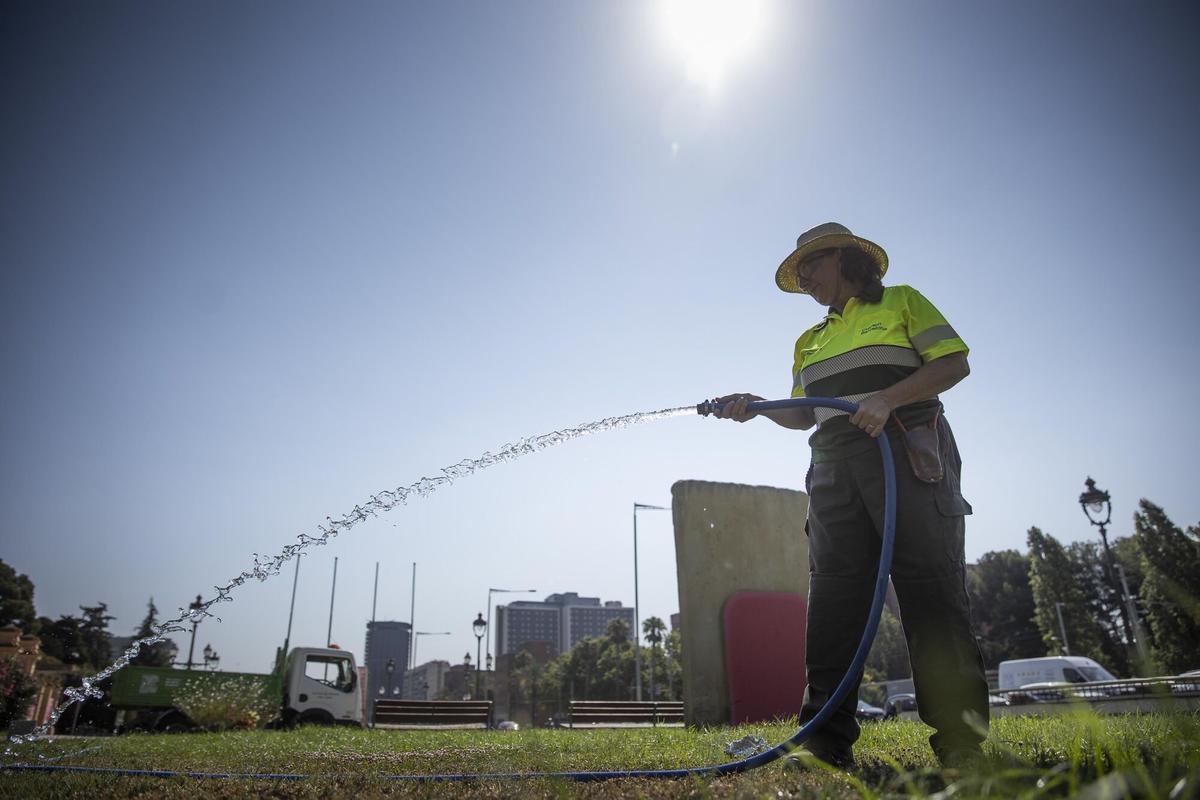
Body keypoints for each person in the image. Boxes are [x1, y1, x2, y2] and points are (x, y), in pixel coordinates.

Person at [709, 222, 988, 770]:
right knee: (834, 604)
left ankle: (961, 744)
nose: (804, 279)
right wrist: (758, 407)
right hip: (833, 470)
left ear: (845, 258)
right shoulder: (808, 340)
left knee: (931, 594)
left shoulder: (902, 302)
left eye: (810, 265)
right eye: (799, 272)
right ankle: (825, 744)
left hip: (906, 452)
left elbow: (953, 363)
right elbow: (804, 415)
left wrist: (887, 399)